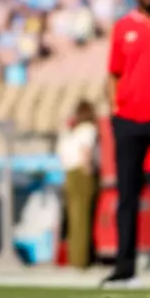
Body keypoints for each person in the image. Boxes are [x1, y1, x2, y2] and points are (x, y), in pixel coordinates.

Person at [103, 0, 150, 285]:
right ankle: (124, 266)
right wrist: (115, 111)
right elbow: (113, 73)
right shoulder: (122, 27)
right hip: (129, 119)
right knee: (127, 196)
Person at [57, 100, 99, 269]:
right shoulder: (88, 129)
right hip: (81, 172)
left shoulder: (71, 131)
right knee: (82, 217)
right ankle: (82, 260)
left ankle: (75, 257)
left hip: (69, 172)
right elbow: (86, 149)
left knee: (74, 217)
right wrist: (89, 168)